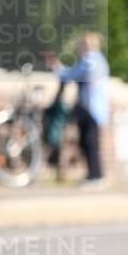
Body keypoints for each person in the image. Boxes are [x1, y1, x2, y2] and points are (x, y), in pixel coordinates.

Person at [46, 31, 110, 186]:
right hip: (96, 108)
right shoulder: (99, 59)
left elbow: (70, 74)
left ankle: (95, 177)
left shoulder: (90, 60)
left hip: (90, 108)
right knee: (91, 142)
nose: (78, 48)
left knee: (89, 142)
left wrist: (56, 67)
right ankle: (96, 175)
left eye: (81, 44)